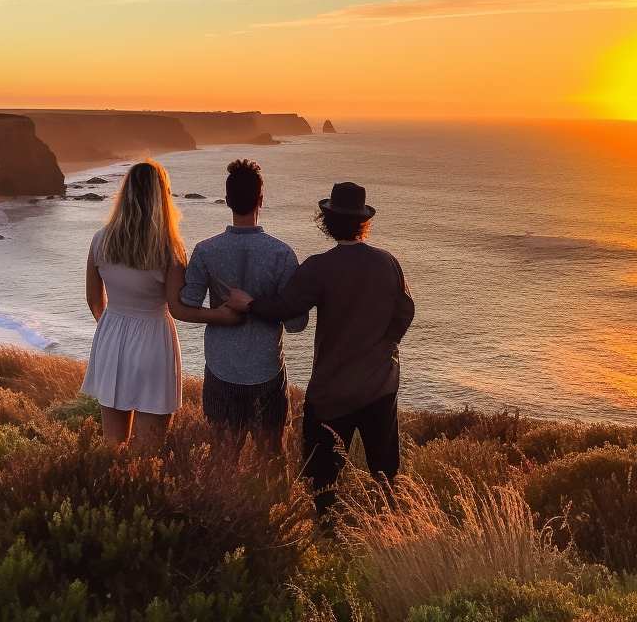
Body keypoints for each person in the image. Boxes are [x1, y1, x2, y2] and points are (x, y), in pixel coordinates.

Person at [225, 181, 414, 517]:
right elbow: (405, 310)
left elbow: (285, 307)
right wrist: (386, 345)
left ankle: (327, 533)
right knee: (384, 473)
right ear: (363, 222)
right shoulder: (388, 263)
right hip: (379, 384)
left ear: (326, 221)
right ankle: (389, 533)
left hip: (331, 391)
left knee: (322, 479)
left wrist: (248, 303)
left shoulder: (318, 267)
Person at [84, 160, 240, 451]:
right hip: (153, 342)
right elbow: (179, 309)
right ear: (162, 196)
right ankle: (138, 494)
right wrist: (219, 315)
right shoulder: (168, 247)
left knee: (112, 445)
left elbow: (94, 299)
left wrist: (111, 330)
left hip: (111, 338)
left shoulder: (100, 240)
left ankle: (109, 493)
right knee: (147, 451)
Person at [180, 159, 308, 456]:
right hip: (267, 369)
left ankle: (224, 504)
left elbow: (188, 305)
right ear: (261, 200)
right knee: (272, 460)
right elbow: (297, 324)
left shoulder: (206, 250)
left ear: (226, 201)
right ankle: (272, 504)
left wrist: (221, 316)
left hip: (220, 368)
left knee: (222, 462)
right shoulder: (281, 254)